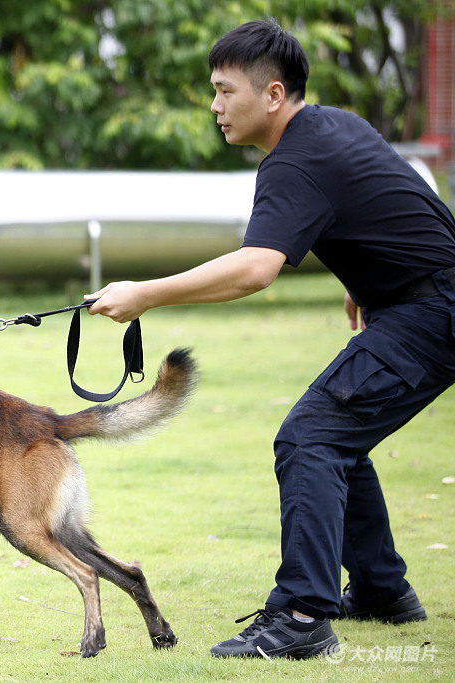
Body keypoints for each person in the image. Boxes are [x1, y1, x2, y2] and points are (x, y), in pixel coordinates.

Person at [87, 18, 455, 660]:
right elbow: (401, 203)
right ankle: (380, 591)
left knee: (311, 436)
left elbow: (256, 268)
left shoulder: (294, 160)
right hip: (422, 303)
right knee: (338, 436)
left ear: (275, 95)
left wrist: (145, 292)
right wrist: (372, 283)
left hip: (432, 314)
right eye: (214, 90)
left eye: (227, 91)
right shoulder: (336, 126)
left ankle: (303, 618)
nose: (215, 105)